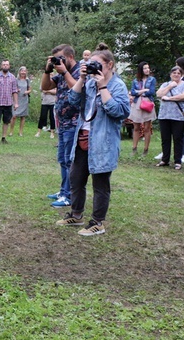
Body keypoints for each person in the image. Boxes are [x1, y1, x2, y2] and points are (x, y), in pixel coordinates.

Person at [55, 46, 130, 236]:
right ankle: (76, 214)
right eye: (90, 64)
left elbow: (120, 112)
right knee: (76, 178)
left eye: (97, 65)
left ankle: (98, 223)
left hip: (102, 142)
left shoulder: (117, 86)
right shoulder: (88, 82)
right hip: (82, 138)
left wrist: (103, 86)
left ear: (110, 65)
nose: (93, 68)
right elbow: (72, 100)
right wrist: (81, 78)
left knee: (100, 184)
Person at [41, 44, 80, 208]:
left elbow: (78, 89)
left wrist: (64, 71)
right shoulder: (61, 72)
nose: (59, 62)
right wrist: (48, 70)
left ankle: (68, 195)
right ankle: (64, 190)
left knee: (70, 161)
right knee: (63, 160)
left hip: (74, 122)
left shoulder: (79, 72)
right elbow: (46, 87)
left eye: (61, 58)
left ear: (70, 57)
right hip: (62, 123)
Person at [156, 65, 184, 169]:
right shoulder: (165, 84)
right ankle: (164, 160)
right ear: (170, 74)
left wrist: (169, 98)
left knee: (178, 138)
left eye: (178, 73)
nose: (176, 75)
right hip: (164, 115)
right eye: (174, 73)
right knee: (165, 138)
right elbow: (159, 94)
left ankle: (177, 161)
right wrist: (170, 86)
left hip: (178, 116)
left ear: (182, 75)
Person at [129, 61, 157, 155]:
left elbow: (152, 92)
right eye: (145, 68)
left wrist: (139, 92)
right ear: (141, 69)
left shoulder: (152, 79)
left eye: (148, 68)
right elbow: (132, 92)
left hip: (147, 102)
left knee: (147, 127)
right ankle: (134, 148)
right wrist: (144, 90)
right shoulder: (135, 80)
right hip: (137, 103)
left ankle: (145, 149)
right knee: (136, 127)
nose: (147, 70)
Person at [0, 59, 19, 144]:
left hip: (8, 103)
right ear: (1, 66)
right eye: (4, 64)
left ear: (9, 66)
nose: (5, 66)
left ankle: (4, 137)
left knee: (6, 121)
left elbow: (14, 91)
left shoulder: (13, 77)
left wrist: (16, 103)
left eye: (7, 64)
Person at [9, 66, 31, 137]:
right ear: (19, 72)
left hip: (24, 99)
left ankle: (20, 132)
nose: (23, 72)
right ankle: (11, 131)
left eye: (24, 71)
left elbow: (30, 89)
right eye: (22, 71)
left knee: (23, 116)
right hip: (16, 99)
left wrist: (27, 92)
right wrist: (16, 90)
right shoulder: (15, 80)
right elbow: (12, 88)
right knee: (14, 116)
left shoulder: (27, 80)